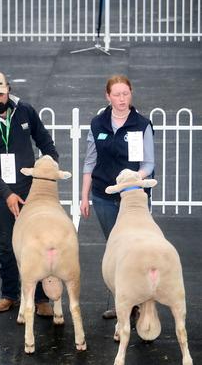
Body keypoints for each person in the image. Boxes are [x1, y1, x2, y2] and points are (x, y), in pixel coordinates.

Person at [0, 71, 59, 316]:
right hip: (0, 193)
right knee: (7, 243)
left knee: (38, 241)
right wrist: (7, 194)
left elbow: (44, 140)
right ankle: (9, 294)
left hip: (32, 188)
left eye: (0, 94)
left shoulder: (26, 111)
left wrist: (50, 165)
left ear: (8, 89)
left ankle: (41, 299)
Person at [79, 75, 154, 320]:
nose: (122, 99)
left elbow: (148, 164)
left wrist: (134, 177)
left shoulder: (142, 124)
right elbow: (90, 161)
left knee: (137, 250)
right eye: (117, 94)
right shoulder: (97, 124)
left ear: (131, 94)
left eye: (126, 94)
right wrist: (84, 196)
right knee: (116, 250)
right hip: (103, 197)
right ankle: (122, 302)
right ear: (107, 96)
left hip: (133, 200)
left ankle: (142, 303)